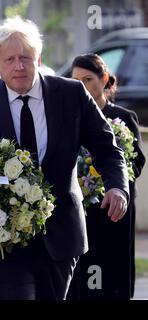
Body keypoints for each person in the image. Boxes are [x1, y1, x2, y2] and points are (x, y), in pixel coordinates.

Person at [0, 16, 129, 300]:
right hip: (0, 237)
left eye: (25, 57)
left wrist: (117, 186)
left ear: (39, 57)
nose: (18, 66)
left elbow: (106, 146)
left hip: (60, 235)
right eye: (9, 59)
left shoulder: (71, 94)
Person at [67, 53, 145, 300]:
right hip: (81, 205)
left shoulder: (123, 116)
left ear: (104, 80)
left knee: (111, 267)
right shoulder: (69, 116)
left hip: (113, 208)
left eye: (88, 79)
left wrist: (107, 181)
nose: (82, 86)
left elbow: (135, 161)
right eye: (76, 80)